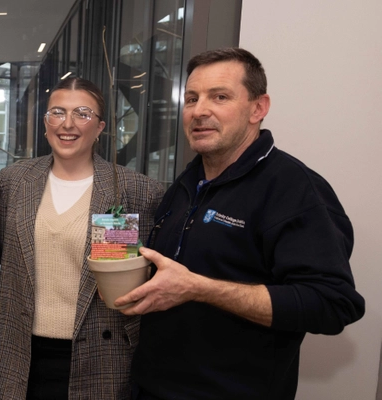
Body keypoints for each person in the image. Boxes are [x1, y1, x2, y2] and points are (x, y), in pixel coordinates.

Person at [115, 48, 365, 399]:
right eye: (191, 98)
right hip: (151, 388)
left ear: (258, 108)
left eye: (220, 97)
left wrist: (199, 288)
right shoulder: (184, 185)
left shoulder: (292, 188)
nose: (200, 110)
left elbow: (332, 303)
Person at [0, 77, 164, 399]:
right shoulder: (15, 181)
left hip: (100, 355)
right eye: (57, 112)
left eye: (82, 113)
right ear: (45, 124)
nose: (67, 124)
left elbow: (135, 282)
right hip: (21, 356)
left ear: (99, 128)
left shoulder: (131, 190)